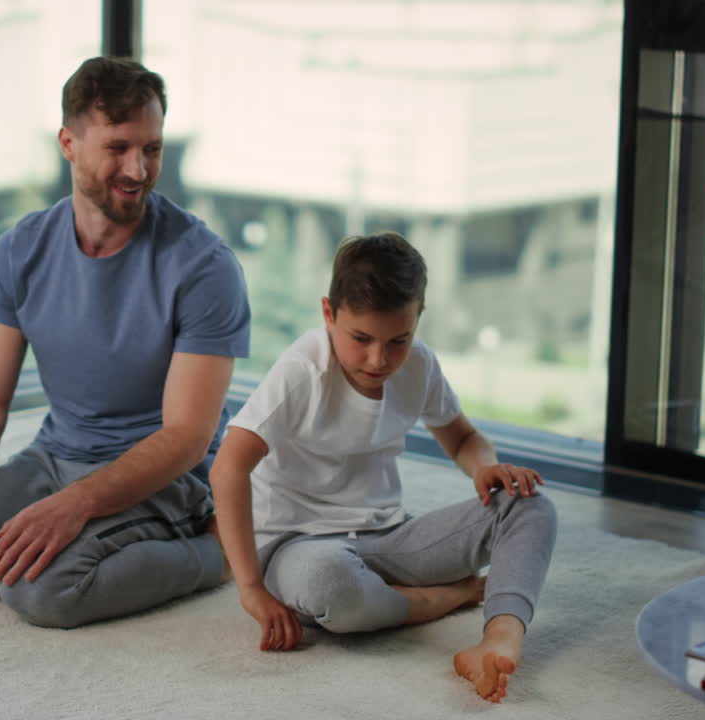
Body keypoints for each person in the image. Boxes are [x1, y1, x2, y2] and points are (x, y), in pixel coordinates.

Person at [0, 56, 250, 629]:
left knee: (42, 590)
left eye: (152, 149)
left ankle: (222, 551)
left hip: (169, 475)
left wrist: (75, 506)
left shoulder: (204, 266)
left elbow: (188, 436)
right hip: (57, 455)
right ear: (69, 143)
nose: (138, 168)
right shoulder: (22, 250)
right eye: (118, 147)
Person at [208, 232, 556, 703]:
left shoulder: (418, 367)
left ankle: (499, 635)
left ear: (418, 320)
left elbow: (463, 437)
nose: (379, 359)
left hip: (390, 537)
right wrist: (250, 587)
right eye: (361, 339)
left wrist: (483, 469)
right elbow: (228, 466)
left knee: (529, 505)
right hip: (298, 546)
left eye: (398, 340)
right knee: (327, 588)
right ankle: (449, 596)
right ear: (329, 314)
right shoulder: (302, 371)